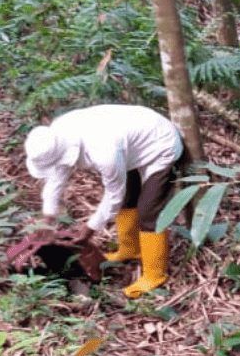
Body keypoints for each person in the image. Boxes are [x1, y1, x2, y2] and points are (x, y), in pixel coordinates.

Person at [24, 104, 183, 298]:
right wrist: (47, 220)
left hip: (158, 144)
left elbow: (113, 194)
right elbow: (56, 179)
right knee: (128, 199)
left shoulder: (103, 151)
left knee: (149, 211)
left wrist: (90, 228)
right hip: (130, 145)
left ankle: (154, 275)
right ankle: (130, 250)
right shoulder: (56, 137)